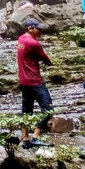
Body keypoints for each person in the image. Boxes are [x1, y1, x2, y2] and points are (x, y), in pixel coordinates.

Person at [17, 19, 54, 149]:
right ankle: (36, 137)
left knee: (26, 111)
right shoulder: (34, 43)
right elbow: (48, 61)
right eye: (38, 28)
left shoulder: (21, 39)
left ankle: (25, 138)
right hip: (35, 82)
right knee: (48, 110)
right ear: (30, 28)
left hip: (23, 81)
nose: (41, 31)